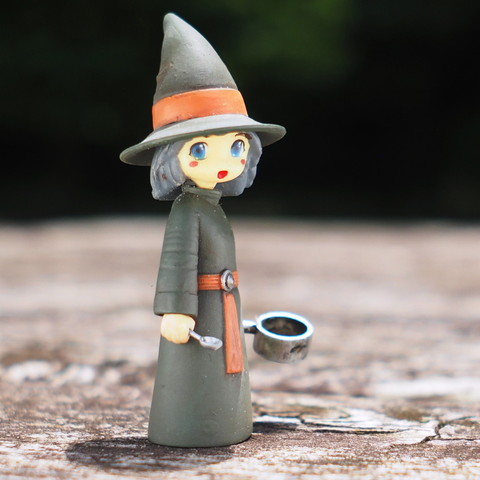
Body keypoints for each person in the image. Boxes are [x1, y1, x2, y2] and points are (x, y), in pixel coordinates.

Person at [120, 13, 285, 447]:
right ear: (171, 157)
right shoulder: (188, 211)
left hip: (222, 307)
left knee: (222, 375)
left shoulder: (209, 207)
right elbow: (177, 261)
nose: (224, 162)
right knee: (192, 376)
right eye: (199, 150)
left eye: (236, 145)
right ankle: (191, 429)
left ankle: (228, 424)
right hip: (199, 313)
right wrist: (175, 310)